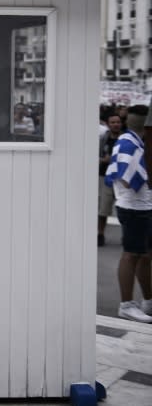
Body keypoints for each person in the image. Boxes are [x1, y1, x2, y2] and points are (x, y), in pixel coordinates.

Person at [106, 105, 152, 323]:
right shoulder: (129, 143)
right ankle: (126, 305)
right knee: (132, 255)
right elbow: (126, 177)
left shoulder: (133, 141)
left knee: (144, 257)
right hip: (134, 208)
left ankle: (148, 301)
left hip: (141, 207)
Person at [98, 113, 123, 246]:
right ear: (108, 124)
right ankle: (100, 234)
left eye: (117, 122)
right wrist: (103, 160)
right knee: (103, 208)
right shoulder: (103, 139)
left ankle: (126, 236)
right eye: (112, 122)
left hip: (121, 178)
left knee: (124, 208)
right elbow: (95, 156)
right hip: (105, 176)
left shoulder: (125, 139)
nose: (115, 124)